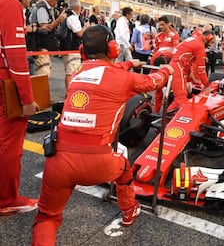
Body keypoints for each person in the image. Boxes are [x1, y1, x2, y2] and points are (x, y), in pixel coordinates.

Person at [31, 25, 174, 245]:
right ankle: (129, 212)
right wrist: (167, 70)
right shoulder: (123, 79)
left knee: (47, 218)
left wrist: (128, 64)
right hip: (98, 163)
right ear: (113, 49)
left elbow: (102, 71)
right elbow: (155, 81)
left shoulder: (77, 74)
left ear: (82, 51)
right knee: (124, 167)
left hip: (57, 161)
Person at [0, 0, 39, 216]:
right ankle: (7, 198)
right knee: (10, 144)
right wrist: (26, 99)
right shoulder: (8, 4)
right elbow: (15, 56)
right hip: (4, 83)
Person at [168, 30, 215, 110]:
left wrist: (189, 75)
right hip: (178, 67)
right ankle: (166, 121)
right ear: (208, 38)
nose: (211, 45)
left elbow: (188, 58)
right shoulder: (200, 46)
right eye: (212, 42)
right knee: (180, 99)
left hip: (174, 64)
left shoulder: (194, 39)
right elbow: (201, 70)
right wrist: (207, 86)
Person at [30, 0, 66, 76]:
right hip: (41, 45)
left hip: (45, 46)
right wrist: (59, 19)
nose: (56, 2)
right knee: (43, 74)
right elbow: (45, 28)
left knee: (45, 72)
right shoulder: (42, 8)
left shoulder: (48, 8)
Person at [60, 0, 90, 89]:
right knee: (72, 72)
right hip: (71, 49)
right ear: (78, 8)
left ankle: (69, 92)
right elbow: (80, 33)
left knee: (71, 71)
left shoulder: (69, 16)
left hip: (69, 48)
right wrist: (85, 26)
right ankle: (70, 93)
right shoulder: (73, 18)